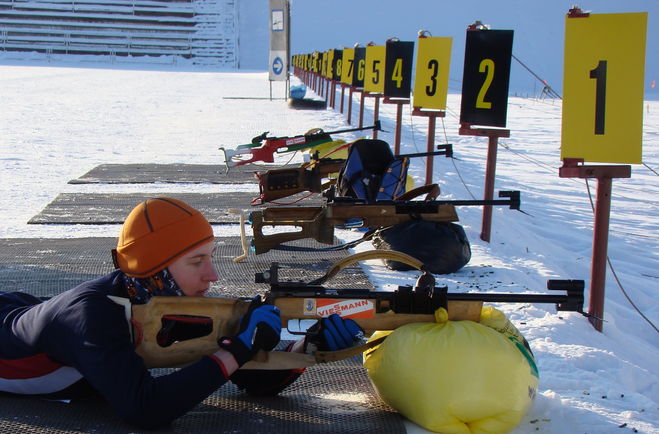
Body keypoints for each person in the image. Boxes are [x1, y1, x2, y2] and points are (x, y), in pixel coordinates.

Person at [0, 197, 364, 429]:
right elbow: (145, 410)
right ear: (155, 269)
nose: (214, 275)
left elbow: (252, 384)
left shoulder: (160, 297)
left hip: (24, 309)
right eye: (197, 261)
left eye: (210, 257)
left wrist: (305, 349)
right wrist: (239, 348)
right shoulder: (92, 318)